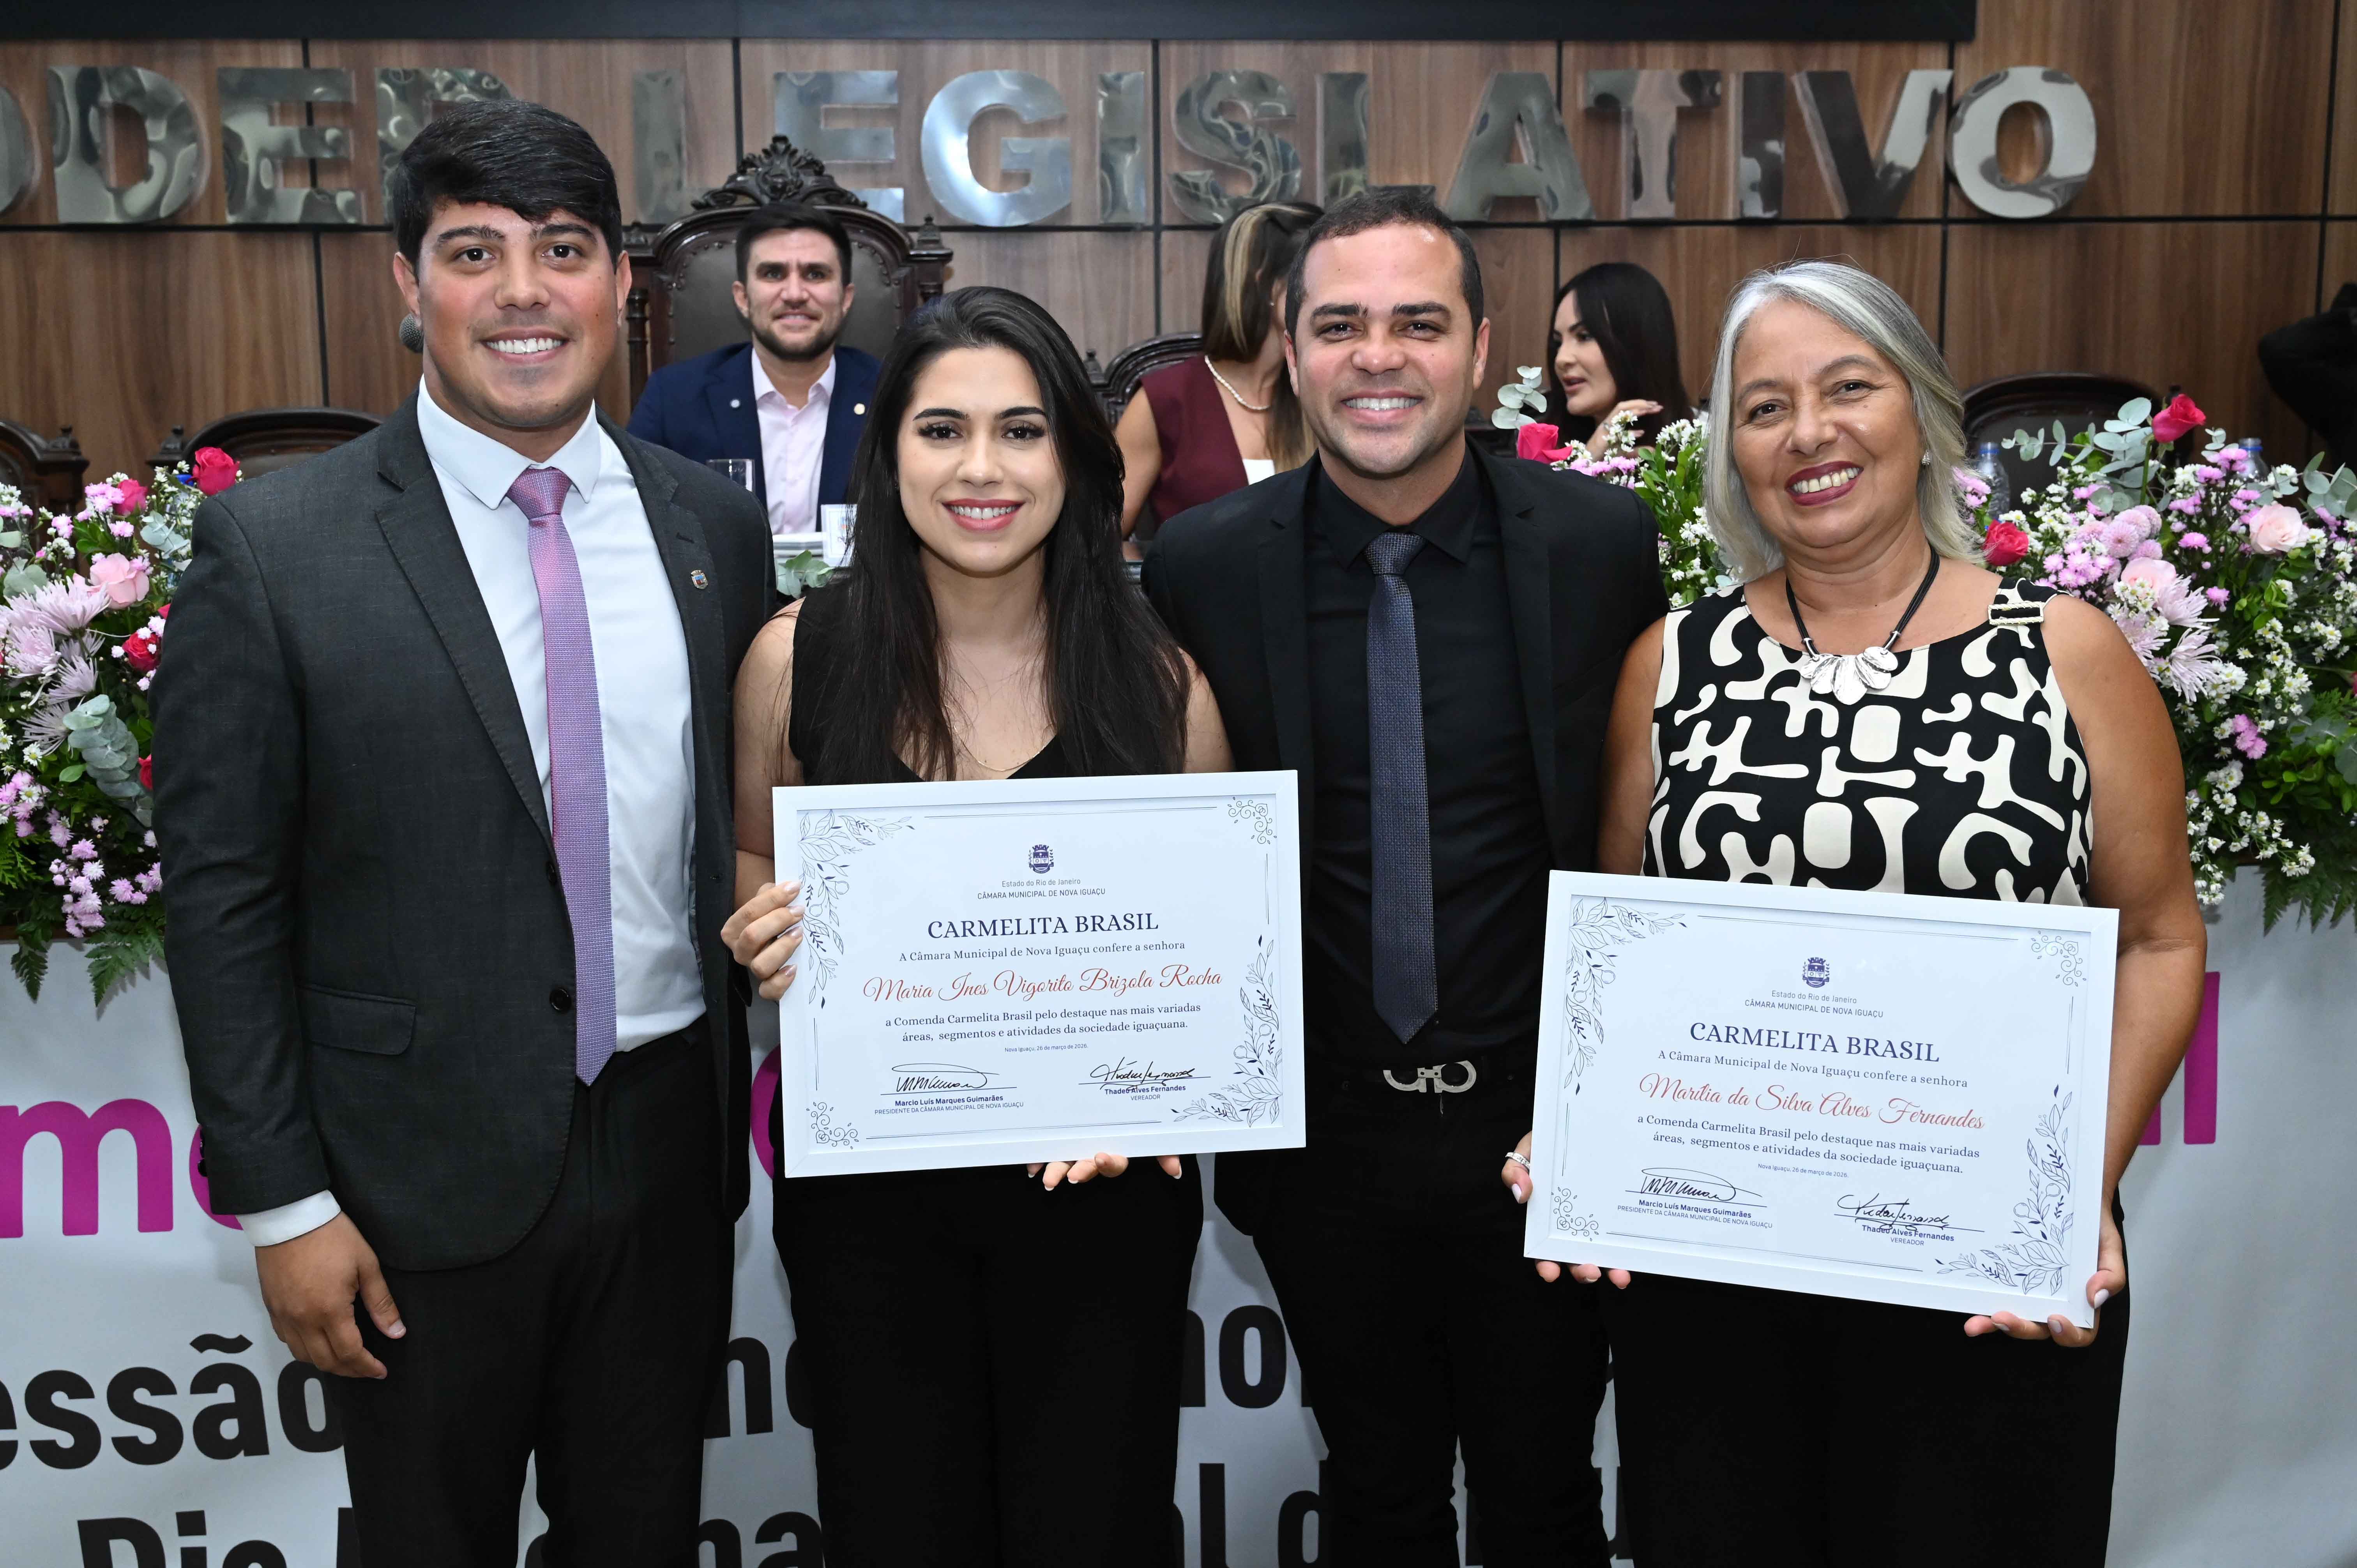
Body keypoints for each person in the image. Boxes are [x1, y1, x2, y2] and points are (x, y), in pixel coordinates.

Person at [1511, 260, 2207, 1566]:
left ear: (1922, 412)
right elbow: (1619, 948)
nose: (1809, 433)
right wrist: (1584, 1128)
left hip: (1981, 1269)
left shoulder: (2065, 651)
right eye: (1764, 406)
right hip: (1715, 1276)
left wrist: (2072, 1190)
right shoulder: (1669, 665)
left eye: (1847, 388)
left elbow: (2162, 938)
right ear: (1731, 452)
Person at [153, 100, 773, 1566]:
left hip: (668, 1159)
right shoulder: (276, 549)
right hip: (407, 1183)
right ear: (407, 280)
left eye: (561, 249)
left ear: (618, 279)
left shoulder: (710, 526)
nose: (521, 293)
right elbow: (224, 898)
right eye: (473, 251)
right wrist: (283, 1202)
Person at [1147, 187, 1666, 1565]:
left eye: (1418, 324)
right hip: (1323, 1144)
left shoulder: (1598, 548)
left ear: (1481, 346)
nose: (1377, 356)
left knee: (1545, 1499)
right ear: (1288, 347)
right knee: (1376, 1497)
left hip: (1538, 1136)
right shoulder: (1200, 566)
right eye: (1339, 325)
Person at [720, 286, 1232, 1565]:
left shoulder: (1160, 681)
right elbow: (753, 850)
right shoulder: (798, 656)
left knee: (1094, 1528)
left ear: (1074, 456)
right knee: (898, 1525)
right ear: (888, 454)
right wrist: (760, 926)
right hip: (868, 1207)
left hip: (1101, 1204)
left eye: (1021, 430)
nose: (981, 469)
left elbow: (1218, 949)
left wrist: (1163, 1083)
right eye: (941, 430)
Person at [627, 201, 881, 534]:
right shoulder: (673, 398)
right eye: (773, 274)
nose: (795, 294)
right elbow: (630, 518)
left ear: (846, 298)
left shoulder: (893, 397)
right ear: (743, 298)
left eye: (815, 274)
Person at [1117, 199, 1322, 549]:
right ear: (1265, 283)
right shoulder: (1164, 400)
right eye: (1315, 277)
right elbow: (1099, 540)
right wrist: (1158, 572)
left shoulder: (1322, 387)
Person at [1546, 260, 1692, 457]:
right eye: (1558, 343)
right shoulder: (1543, 451)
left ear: (1638, 343)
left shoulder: (1706, 448)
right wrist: (1587, 463)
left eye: (1584, 336)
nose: (1561, 359)